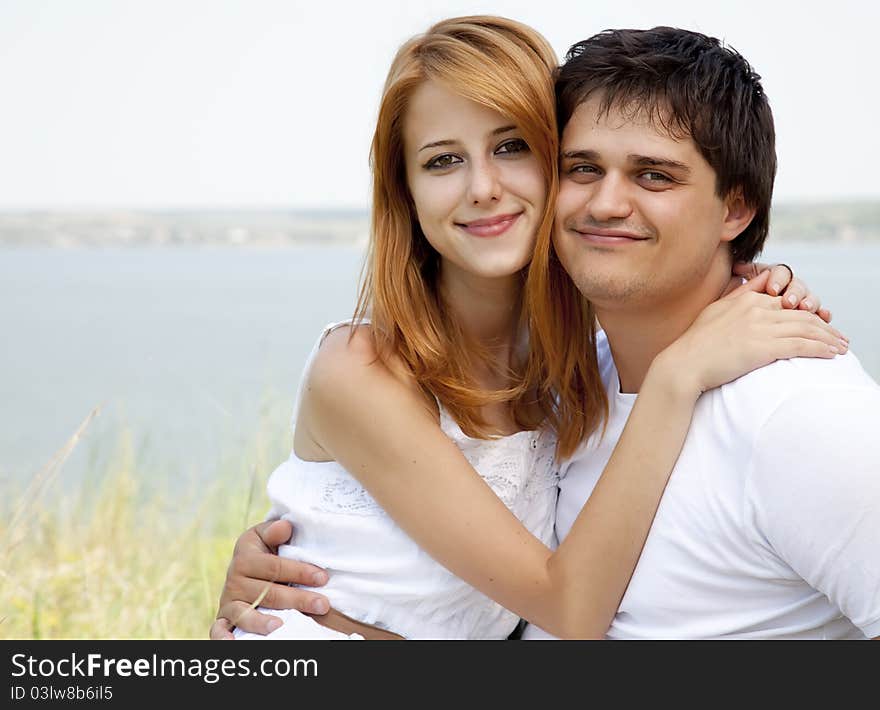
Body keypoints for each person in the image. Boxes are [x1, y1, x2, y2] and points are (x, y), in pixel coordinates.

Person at [213, 18, 846, 640]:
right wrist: (678, 375)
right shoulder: (362, 369)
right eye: (442, 161)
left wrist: (750, 279)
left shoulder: (576, 362)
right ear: (404, 192)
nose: (483, 188)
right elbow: (567, 611)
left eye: (512, 147)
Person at [517, 26, 879, 640]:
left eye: (653, 176)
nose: (605, 203)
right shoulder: (577, 380)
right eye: (582, 168)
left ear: (736, 209)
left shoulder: (800, 416)